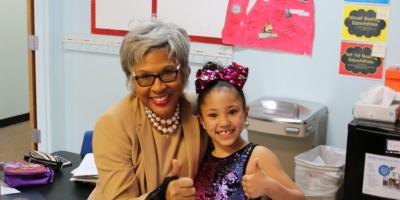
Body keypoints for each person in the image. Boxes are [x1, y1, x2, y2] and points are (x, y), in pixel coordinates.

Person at [89, 21, 208, 200]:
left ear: (185, 72)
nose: (158, 87)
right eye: (145, 77)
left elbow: (236, 156)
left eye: (168, 72)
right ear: (131, 80)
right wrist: (162, 196)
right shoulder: (113, 124)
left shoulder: (200, 108)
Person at [193, 62, 305, 200]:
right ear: (202, 121)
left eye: (232, 112)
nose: (224, 122)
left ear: (245, 113)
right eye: (213, 115)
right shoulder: (201, 155)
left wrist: (270, 188)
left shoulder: (258, 156)